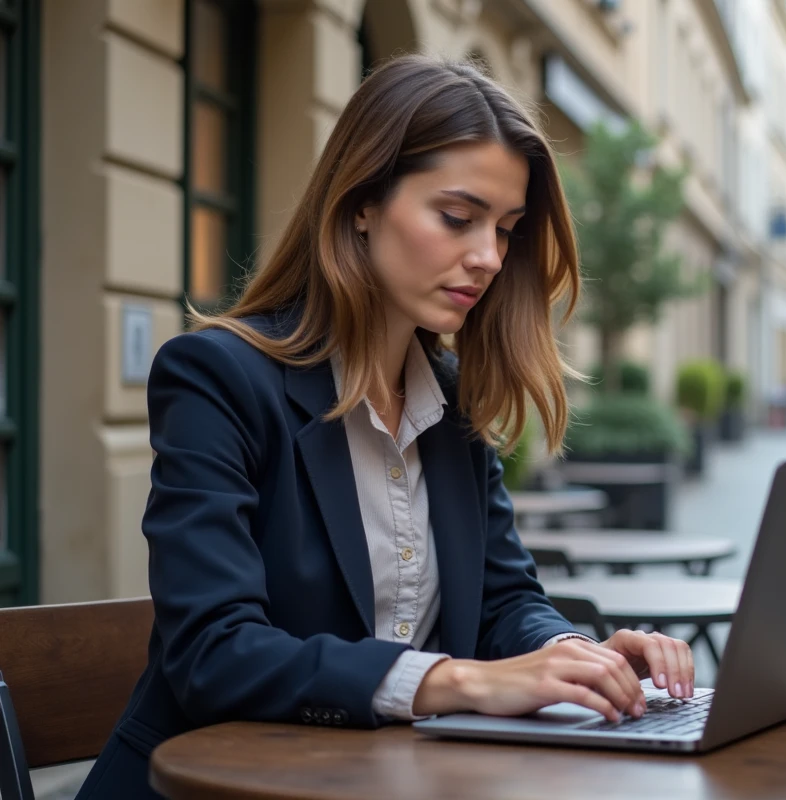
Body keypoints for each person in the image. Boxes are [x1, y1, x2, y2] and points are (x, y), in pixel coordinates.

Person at [78, 56, 694, 799]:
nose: (488, 258)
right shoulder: (218, 377)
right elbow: (214, 652)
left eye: (506, 230)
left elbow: (504, 600)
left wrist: (573, 655)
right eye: (458, 218)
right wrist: (456, 681)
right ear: (363, 202)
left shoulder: (454, 402)